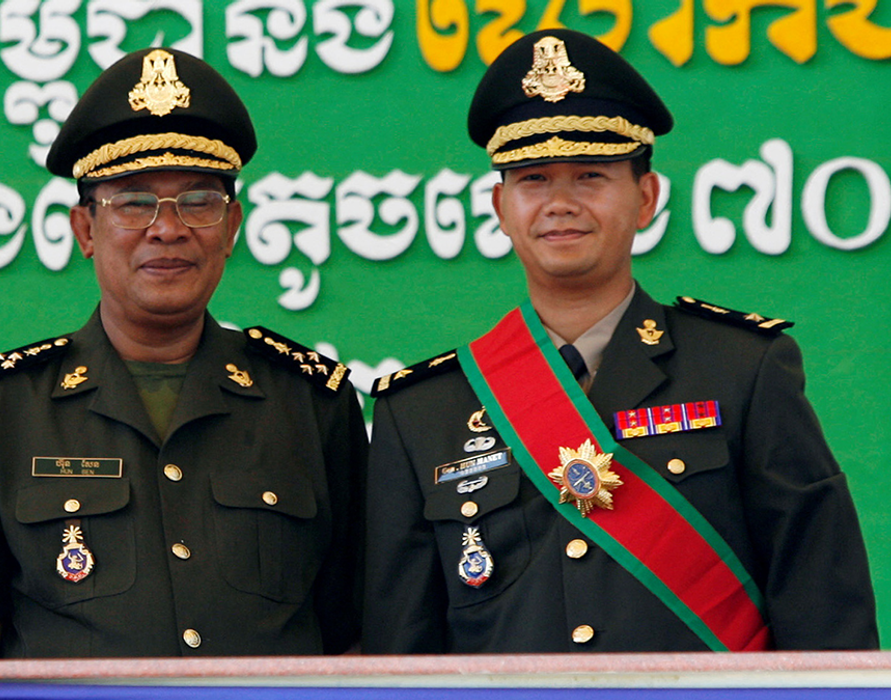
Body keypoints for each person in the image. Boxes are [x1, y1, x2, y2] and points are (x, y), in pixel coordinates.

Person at [363, 29, 878, 653]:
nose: (560, 203)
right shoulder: (421, 412)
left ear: (646, 198)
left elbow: (823, 607)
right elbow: (402, 650)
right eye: (532, 179)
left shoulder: (744, 368)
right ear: (500, 207)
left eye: (590, 175)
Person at [0, 48, 365, 659]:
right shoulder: (2, 408)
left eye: (198, 201)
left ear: (233, 225)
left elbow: (357, 635)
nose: (168, 228)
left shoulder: (310, 402)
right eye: (134, 202)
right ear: (85, 229)